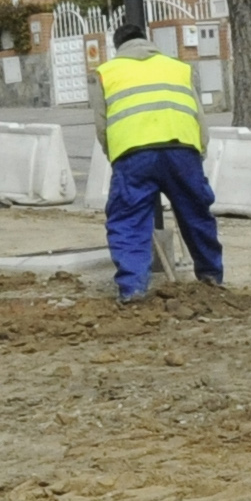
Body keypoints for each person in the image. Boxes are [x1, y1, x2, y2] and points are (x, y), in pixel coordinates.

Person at [96, 27, 222, 304]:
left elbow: (102, 127)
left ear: (118, 47)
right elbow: (199, 117)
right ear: (147, 41)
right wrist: (198, 152)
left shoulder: (108, 72)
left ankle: (133, 289)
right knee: (196, 214)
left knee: (128, 220)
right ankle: (211, 277)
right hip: (182, 150)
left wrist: (115, 156)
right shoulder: (177, 68)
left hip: (133, 155)